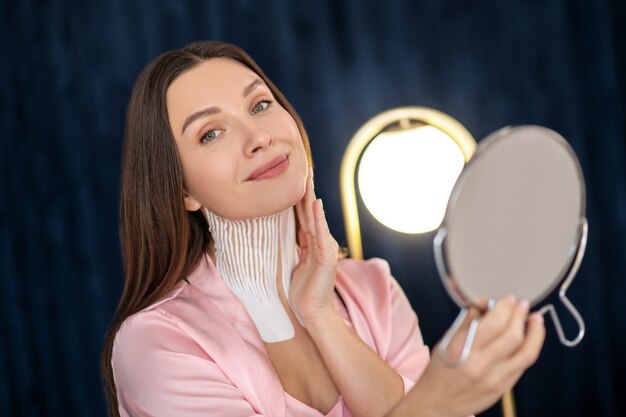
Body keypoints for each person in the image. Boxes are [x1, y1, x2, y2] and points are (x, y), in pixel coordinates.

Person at [101, 40, 546, 417]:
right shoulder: (157, 343)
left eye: (260, 105)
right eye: (211, 134)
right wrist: (435, 400)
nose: (258, 136)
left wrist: (322, 316)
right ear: (182, 191)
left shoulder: (374, 291)